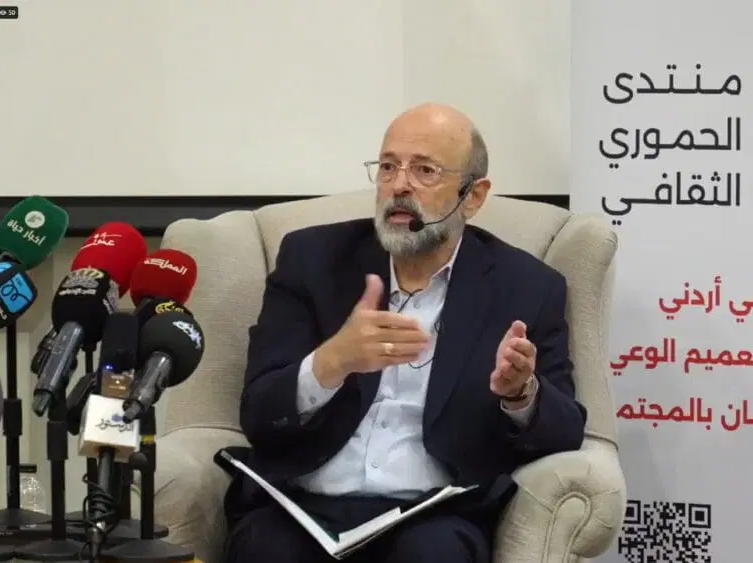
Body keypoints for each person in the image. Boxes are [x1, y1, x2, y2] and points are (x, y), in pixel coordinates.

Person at [222, 103, 587, 562]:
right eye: (388, 167)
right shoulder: (312, 260)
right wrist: (330, 363)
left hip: (430, 516)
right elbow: (258, 412)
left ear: (473, 196)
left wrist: (521, 394)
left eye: (425, 170)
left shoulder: (526, 286)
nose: (399, 185)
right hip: (302, 504)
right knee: (265, 548)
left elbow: (566, 430)